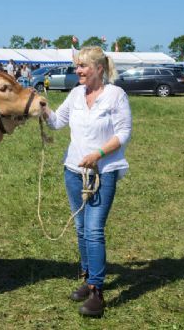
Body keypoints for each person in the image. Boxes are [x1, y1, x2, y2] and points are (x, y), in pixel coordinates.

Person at [41, 46, 132, 317]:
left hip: (103, 172)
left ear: (99, 69)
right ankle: (87, 278)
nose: (78, 71)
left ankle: (97, 292)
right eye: (77, 66)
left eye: (83, 66)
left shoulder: (115, 95)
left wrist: (98, 154)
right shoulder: (75, 94)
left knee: (94, 230)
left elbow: (124, 133)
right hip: (73, 171)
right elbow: (58, 123)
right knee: (81, 228)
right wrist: (43, 109)